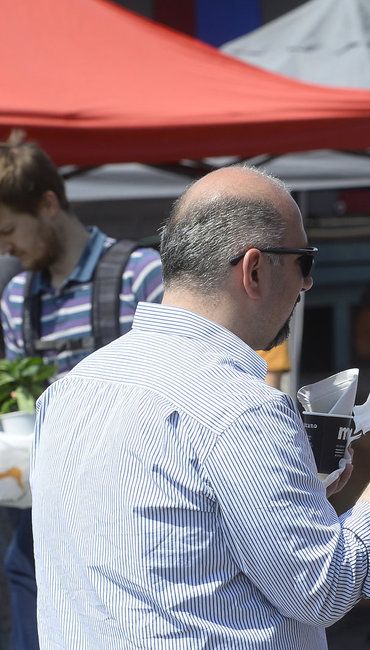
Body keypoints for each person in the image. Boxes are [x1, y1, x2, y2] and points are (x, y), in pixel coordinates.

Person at [29, 166, 370, 648]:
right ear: (255, 268)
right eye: (304, 262)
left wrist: (305, 493)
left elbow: (170, 545)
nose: (307, 285)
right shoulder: (242, 407)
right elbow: (327, 589)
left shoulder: (71, 390)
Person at [0, 134, 164, 650]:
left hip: (136, 507)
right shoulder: (17, 296)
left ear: (48, 204)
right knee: (20, 569)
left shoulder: (141, 276)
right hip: (44, 503)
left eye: (8, 230)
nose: (5, 247)